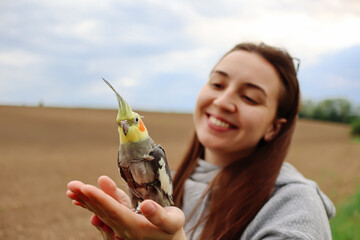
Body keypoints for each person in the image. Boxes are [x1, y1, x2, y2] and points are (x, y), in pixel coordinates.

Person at [66, 42, 336, 240]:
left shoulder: (295, 206)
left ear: (274, 128)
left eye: (250, 97)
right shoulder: (179, 179)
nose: (222, 101)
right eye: (218, 84)